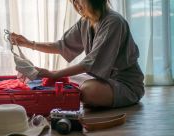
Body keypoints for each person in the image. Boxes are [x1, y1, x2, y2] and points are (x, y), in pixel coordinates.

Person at [9, 0, 144, 108]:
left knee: (88, 91)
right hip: (102, 79)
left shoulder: (114, 22)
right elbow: (62, 46)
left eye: (79, 0)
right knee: (56, 80)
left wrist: (53, 73)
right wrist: (28, 43)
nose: (77, 5)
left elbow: (89, 63)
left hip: (125, 84)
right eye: (73, 1)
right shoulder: (85, 21)